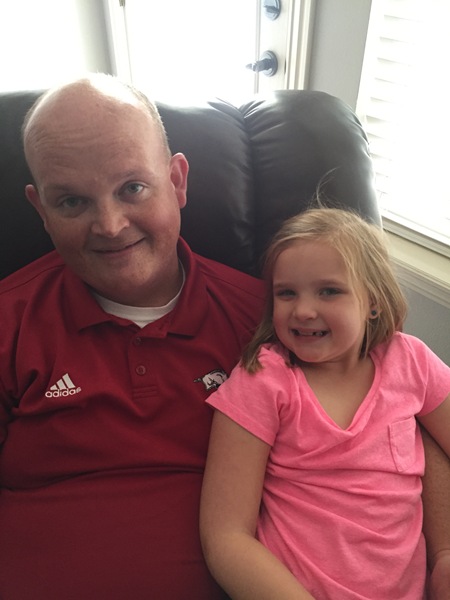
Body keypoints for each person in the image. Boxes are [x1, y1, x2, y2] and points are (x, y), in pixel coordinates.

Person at [0, 74, 265, 599]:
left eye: (132, 188)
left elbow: (393, 412)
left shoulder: (269, 318)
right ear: (41, 211)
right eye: (72, 202)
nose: (110, 225)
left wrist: (436, 556)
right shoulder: (9, 319)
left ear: (177, 181)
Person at [200, 207, 450, 599]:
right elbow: (226, 536)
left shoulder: (411, 362)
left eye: (329, 291)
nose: (302, 310)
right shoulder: (263, 381)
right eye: (286, 293)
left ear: (373, 300)